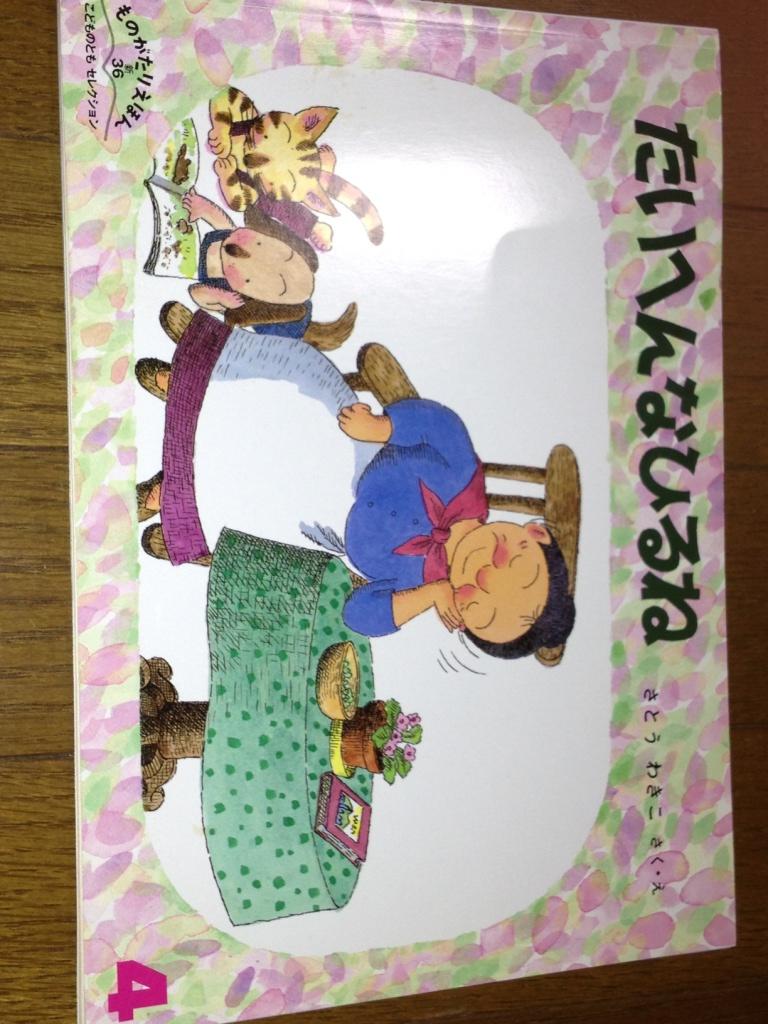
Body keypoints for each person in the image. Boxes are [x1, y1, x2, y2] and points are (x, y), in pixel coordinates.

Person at [138, 307, 576, 660]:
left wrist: (429, 595)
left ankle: (174, 494)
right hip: (359, 452)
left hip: (323, 524)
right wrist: (385, 428)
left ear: (462, 620)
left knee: (264, 508)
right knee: (305, 378)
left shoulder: (416, 583)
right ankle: (200, 383)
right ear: (534, 533)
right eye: (510, 566)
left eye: (480, 607)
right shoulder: (463, 478)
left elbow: (359, 614)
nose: (483, 576)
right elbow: (442, 427)